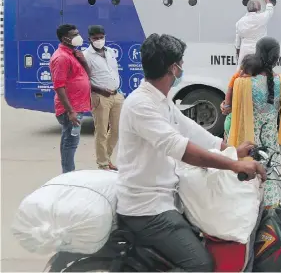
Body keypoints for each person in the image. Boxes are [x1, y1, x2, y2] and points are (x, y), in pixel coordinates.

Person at [115, 33, 266, 272]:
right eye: (181, 63)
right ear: (172, 68)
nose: (182, 67)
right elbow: (182, 149)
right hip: (147, 208)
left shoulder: (160, 101)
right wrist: (234, 165)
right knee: (200, 264)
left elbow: (193, 131)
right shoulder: (141, 106)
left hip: (167, 197)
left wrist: (232, 151)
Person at [228, 37, 281, 209]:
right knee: (271, 176)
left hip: (250, 144)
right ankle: (271, 212)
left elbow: (230, 110)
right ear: (276, 58)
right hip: (271, 143)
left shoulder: (243, 83)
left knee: (250, 178)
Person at [50, 24, 91, 173]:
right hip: (71, 109)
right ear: (64, 38)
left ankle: (67, 173)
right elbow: (59, 86)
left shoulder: (73, 54)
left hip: (77, 106)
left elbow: (88, 76)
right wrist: (71, 111)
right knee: (71, 143)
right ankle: (68, 175)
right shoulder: (61, 57)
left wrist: (83, 61)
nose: (77, 37)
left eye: (77, 33)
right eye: (74, 35)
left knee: (68, 141)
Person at [83, 25, 123, 171]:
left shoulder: (110, 52)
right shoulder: (86, 56)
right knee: (101, 131)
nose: (99, 40)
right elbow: (84, 80)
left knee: (117, 130)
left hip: (116, 95)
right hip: (100, 97)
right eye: (95, 38)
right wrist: (99, 89)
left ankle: (107, 158)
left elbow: (112, 72)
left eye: (101, 37)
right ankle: (103, 164)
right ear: (90, 39)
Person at [221, 54, 261, 141]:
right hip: (233, 114)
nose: (241, 73)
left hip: (244, 117)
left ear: (255, 75)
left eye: (246, 72)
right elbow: (229, 90)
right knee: (229, 129)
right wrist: (227, 105)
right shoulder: (237, 76)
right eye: (241, 70)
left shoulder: (255, 83)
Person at [235, 0, 274, 69]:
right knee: (259, 75)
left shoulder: (240, 22)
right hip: (259, 51)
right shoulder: (262, 18)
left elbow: (237, 43)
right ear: (258, 8)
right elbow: (270, 10)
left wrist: (238, 53)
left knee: (243, 75)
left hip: (244, 52)